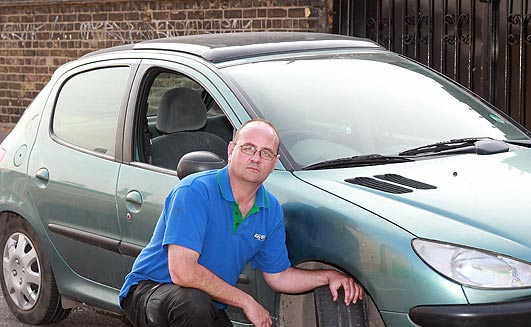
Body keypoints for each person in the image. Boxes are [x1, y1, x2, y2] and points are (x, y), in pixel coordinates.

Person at [119, 118, 363, 327]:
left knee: (198, 304)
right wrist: (247, 302)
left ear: (274, 161)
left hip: (205, 302)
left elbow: (278, 276)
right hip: (151, 291)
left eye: (266, 153)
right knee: (193, 303)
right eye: (248, 148)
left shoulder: (270, 209)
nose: (256, 158)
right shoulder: (195, 191)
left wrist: (328, 276)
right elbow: (182, 272)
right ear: (231, 150)